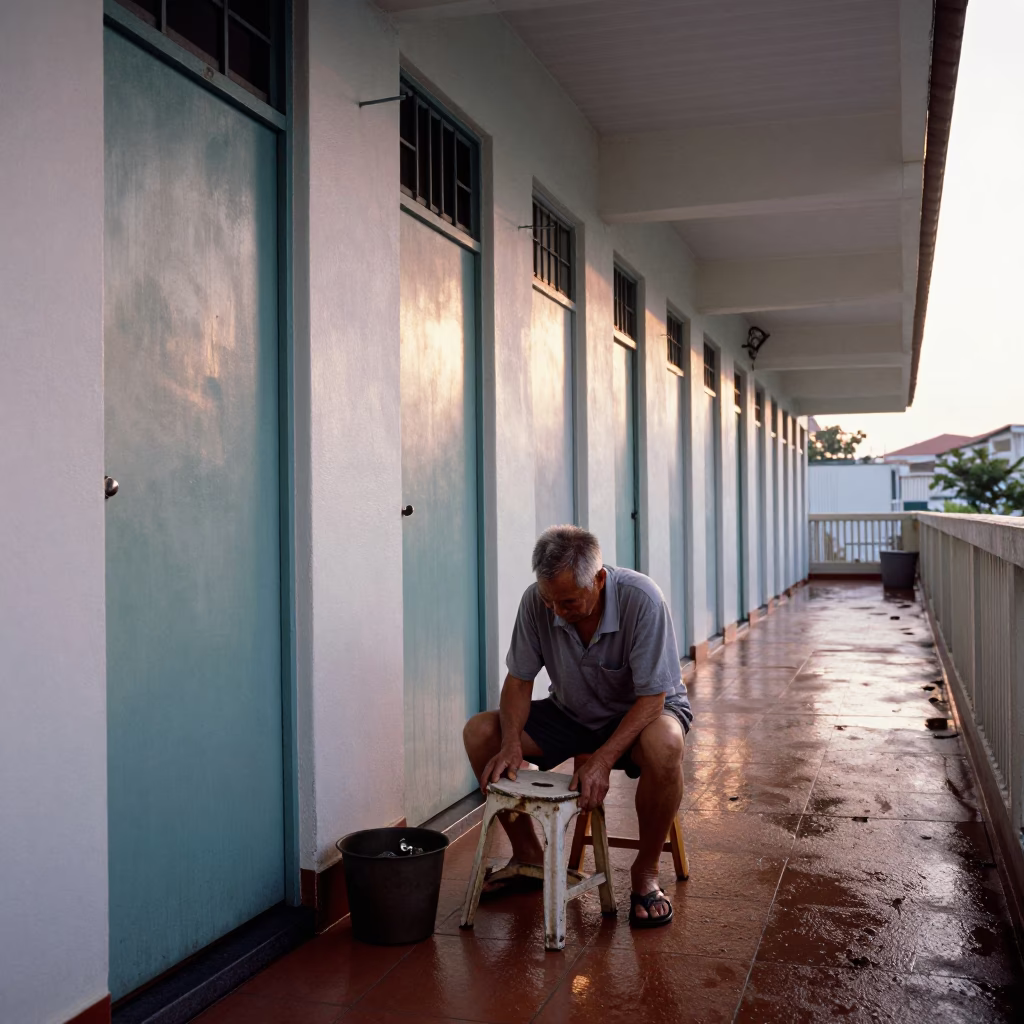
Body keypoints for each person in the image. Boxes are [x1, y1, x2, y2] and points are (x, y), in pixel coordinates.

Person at [463, 525, 692, 928]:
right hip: (570, 712)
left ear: (599, 580)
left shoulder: (643, 600)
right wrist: (512, 742)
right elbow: (519, 680)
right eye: (550, 601)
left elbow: (653, 699)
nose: (556, 611)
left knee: (666, 745)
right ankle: (529, 857)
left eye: (567, 602)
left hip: (642, 714)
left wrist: (603, 760)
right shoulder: (538, 601)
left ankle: (646, 872)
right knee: (481, 732)